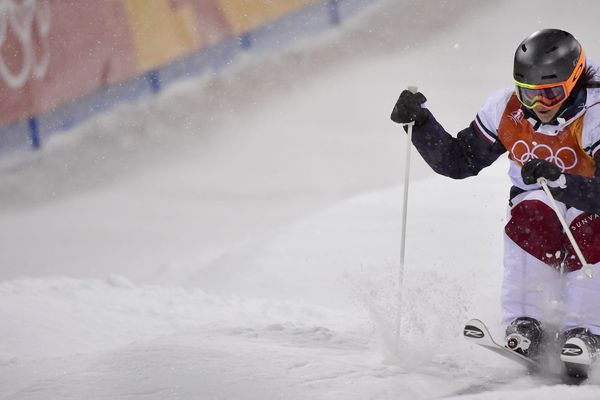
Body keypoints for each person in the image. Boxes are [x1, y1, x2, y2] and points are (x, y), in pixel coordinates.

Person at [390, 29, 600, 371]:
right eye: (529, 94)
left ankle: (588, 330)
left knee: (588, 228)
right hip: (540, 201)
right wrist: (422, 124)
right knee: (532, 213)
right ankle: (527, 322)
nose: (538, 106)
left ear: (574, 81)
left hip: (591, 205)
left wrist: (563, 181)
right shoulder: (508, 109)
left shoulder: (594, 116)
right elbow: (459, 161)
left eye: (550, 94)